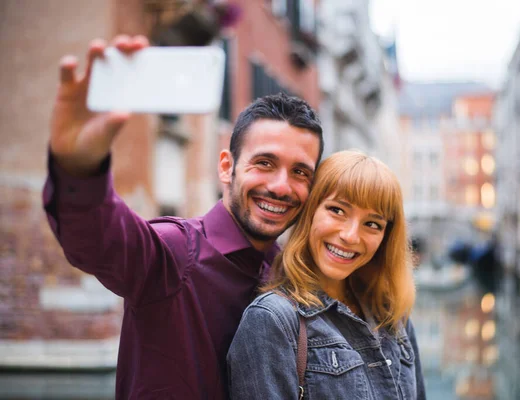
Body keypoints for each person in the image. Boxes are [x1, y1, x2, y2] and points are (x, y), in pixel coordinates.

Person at [43, 35, 323, 399]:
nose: (282, 187)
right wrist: (78, 167)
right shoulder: (174, 253)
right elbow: (99, 239)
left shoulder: (289, 275)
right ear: (227, 167)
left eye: (300, 172)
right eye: (264, 163)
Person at [228, 150, 426, 399]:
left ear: (386, 238)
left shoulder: (394, 315)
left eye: (372, 224)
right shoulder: (273, 320)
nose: (350, 236)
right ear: (311, 211)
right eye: (337, 210)